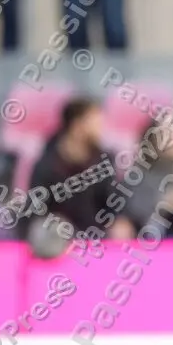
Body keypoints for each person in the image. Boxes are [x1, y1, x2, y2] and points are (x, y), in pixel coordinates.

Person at [28, 97, 133, 243]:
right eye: (95, 122)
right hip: (57, 242)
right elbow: (35, 210)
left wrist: (119, 221)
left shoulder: (103, 160)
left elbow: (113, 202)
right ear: (77, 126)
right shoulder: (47, 164)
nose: (100, 128)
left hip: (97, 240)